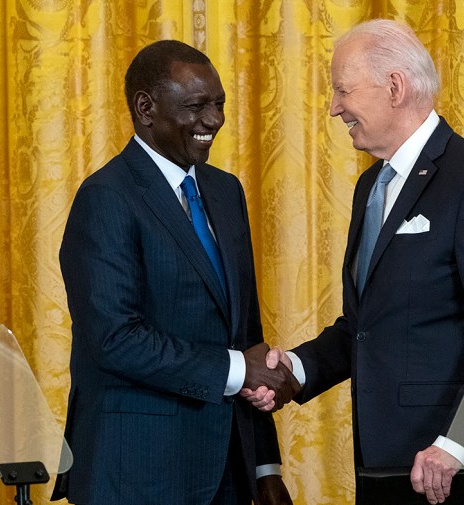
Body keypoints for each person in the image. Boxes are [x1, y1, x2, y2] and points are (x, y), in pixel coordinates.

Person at [241, 19, 464, 505]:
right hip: (384, 469)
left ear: (394, 87)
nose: (335, 107)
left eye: (342, 90)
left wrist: (455, 446)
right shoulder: (370, 187)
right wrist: (294, 369)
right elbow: (366, 326)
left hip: (451, 473)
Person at [53, 40, 298, 505]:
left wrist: (264, 467)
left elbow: (247, 336)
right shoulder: (106, 197)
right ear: (145, 108)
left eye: (220, 104)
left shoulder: (226, 192)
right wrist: (235, 370)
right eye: (197, 106)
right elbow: (114, 339)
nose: (214, 120)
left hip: (228, 471)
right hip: (136, 473)